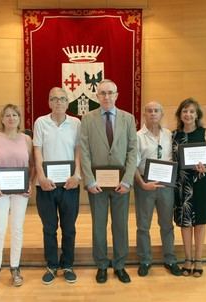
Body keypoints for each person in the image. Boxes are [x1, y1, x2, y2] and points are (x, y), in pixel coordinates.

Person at [80, 79, 137, 284]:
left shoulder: (128, 119)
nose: (106, 96)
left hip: (121, 184)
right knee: (99, 225)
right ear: (97, 96)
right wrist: (89, 180)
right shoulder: (87, 119)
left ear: (117, 95)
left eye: (110, 93)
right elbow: (84, 151)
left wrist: (128, 180)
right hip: (97, 185)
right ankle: (102, 264)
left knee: (120, 225)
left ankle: (120, 264)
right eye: (102, 93)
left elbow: (133, 151)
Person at [33, 87, 81, 285]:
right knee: (49, 227)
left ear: (68, 103)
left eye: (62, 99)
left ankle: (68, 264)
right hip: (45, 185)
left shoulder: (76, 123)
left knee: (69, 228)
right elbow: (37, 151)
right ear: (49, 102)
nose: (58, 102)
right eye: (54, 99)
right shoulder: (40, 122)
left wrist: (77, 175)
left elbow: (79, 150)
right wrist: (42, 177)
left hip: (69, 184)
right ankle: (52, 265)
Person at [0, 104, 35, 288]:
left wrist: (30, 183)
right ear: (2, 119)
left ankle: (15, 267)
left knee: (17, 229)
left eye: (14, 115)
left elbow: (33, 165)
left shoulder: (27, 139)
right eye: (7, 115)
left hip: (21, 191)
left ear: (20, 118)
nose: (11, 118)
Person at [172, 97, 206, 277]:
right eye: (185, 111)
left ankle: (199, 260)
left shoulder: (205, 133)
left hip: (202, 184)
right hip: (181, 184)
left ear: (197, 114)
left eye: (192, 111)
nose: (188, 114)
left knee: (199, 222)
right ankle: (188, 259)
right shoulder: (174, 135)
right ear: (180, 114)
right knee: (185, 223)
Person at [134, 101, 182, 277]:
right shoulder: (137, 136)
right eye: (149, 111)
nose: (153, 113)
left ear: (161, 114)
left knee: (166, 225)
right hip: (145, 185)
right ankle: (145, 260)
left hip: (166, 185)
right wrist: (142, 184)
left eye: (156, 111)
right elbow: (132, 164)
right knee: (143, 225)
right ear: (144, 115)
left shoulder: (169, 135)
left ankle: (170, 259)